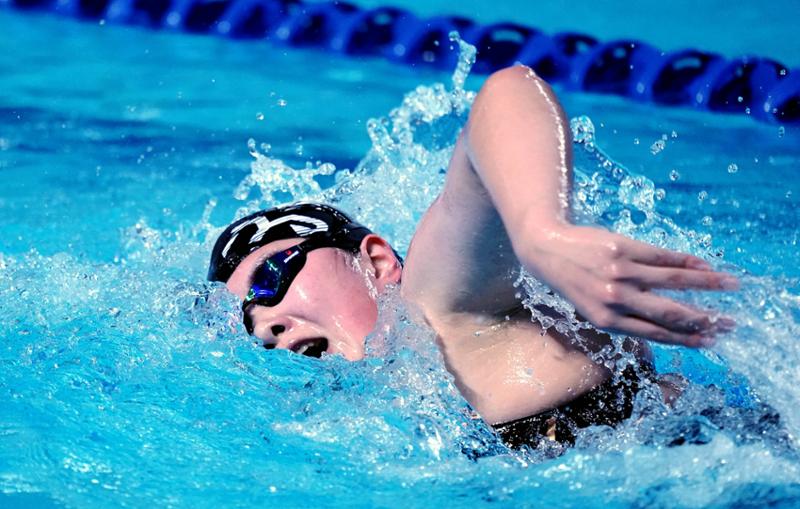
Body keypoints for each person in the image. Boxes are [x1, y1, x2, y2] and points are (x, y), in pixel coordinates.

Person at [207, 65, 739, 448]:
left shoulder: (437, 310)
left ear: (376, 262)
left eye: (270, 277)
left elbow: (508, 92)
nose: (265, 322)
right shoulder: (372, 415)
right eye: (248, 318)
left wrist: (539, 232)